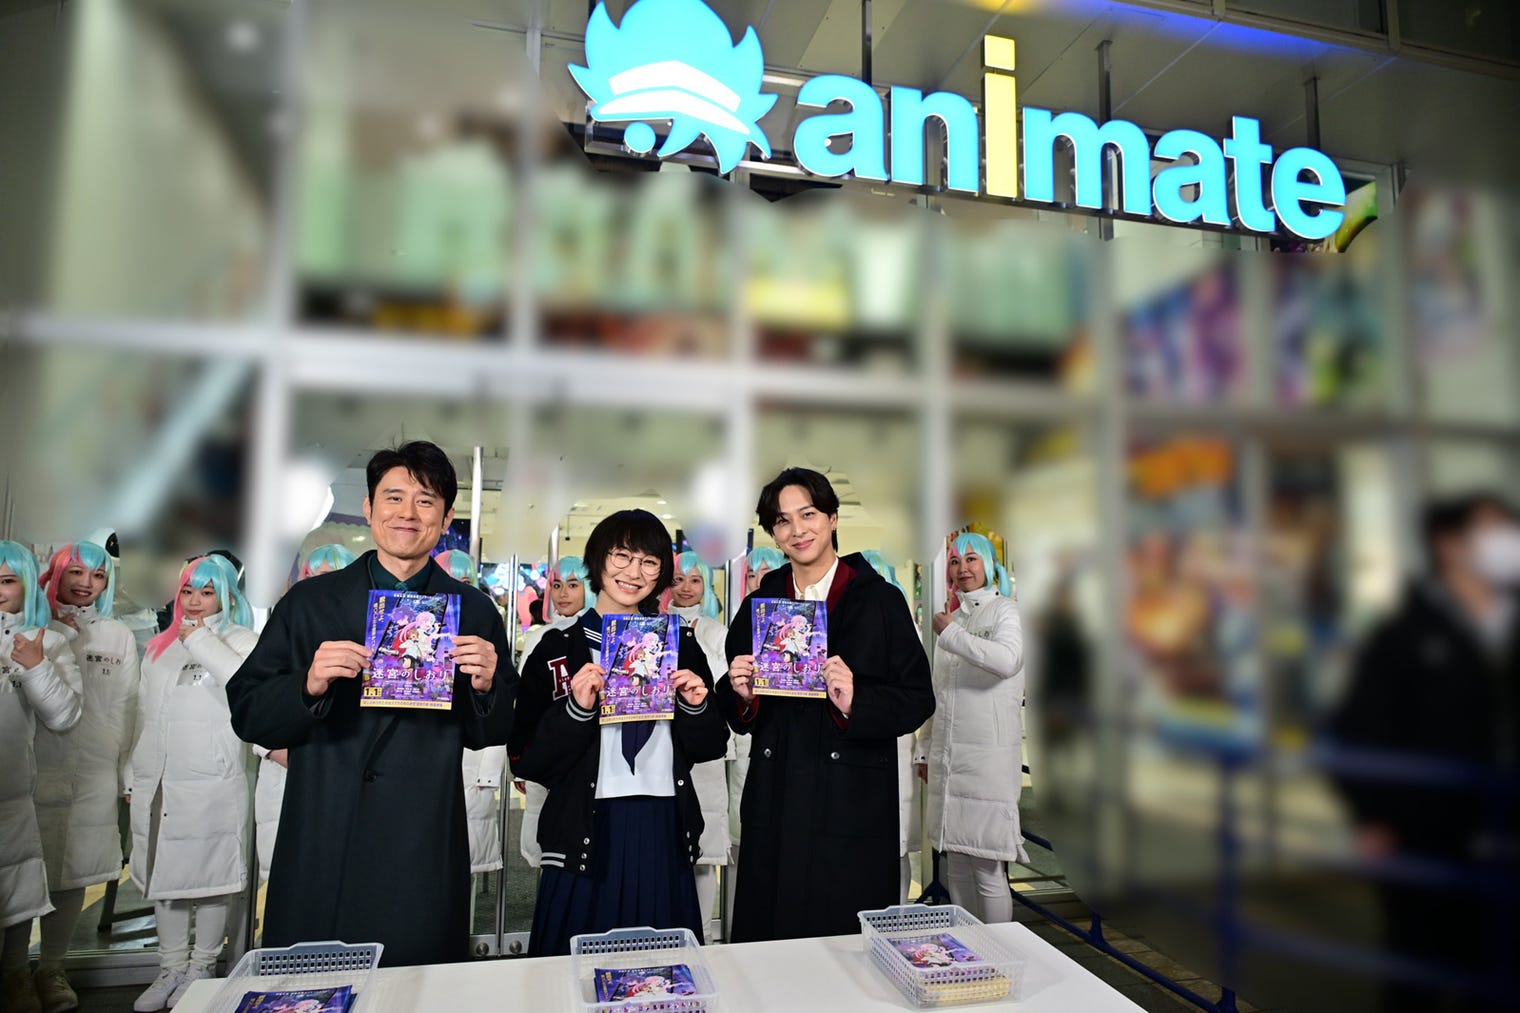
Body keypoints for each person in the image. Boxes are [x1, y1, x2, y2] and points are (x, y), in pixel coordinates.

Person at [226, 441, 517, 968]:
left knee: (416, 981)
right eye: (394, 497)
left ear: (445, 517)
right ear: (368, 506)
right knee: (314, 982)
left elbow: (496, 729)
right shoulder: (310, 603)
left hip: (423, 833)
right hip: (325, 823)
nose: (408, 513)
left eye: (425, 501)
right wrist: (308, 685)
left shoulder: (473, 610)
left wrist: (486, 685)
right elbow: (247, 710)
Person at [715, 468, 934, 941]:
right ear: (773, 533)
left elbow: (918, 697)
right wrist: (742, 697)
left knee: (844, 940)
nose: (797, 530)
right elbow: (729, 701)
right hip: (776, 796)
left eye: (808, 514)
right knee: (770, 938)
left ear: (833, 518)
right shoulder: (761, 604)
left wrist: (858, 701)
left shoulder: (879, 601)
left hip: (851, 799)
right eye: (783, 520)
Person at [1330, 493, 1520, 1012]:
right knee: (1419, 976)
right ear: (1448, 545)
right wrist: (1372, 816)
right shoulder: (1404, 636)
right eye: (1494, 530)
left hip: (1510, 841)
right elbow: (1358, 730)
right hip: (1429, 842)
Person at [509, 510, 728, 956]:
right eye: (622, 556)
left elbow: (710, 745)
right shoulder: (556, 648)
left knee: (663, 969)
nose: (634, 572)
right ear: (598, 560)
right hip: (584, 830)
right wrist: (577, 710)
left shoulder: (681, 643)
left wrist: (695, 704)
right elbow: (527, 757)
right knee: (569, 968)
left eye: (649, 562)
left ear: (661, 573)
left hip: (663, 822)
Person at [129, 554, 259, 1011]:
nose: (196, 601)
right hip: (161, 779)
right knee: (164, 878)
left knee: (210, 878)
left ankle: (202, 966)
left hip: (213, 781)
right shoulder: (159, 648)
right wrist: (133, 772)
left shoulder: (242, 640)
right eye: (188, 591)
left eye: (208, 592)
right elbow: (143, 713)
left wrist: (201, 639)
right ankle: (170, 967)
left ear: (227, 596)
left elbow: (241, 683)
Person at [27, 542, 139, 1013]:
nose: (85, 583)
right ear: (55, 572)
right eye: (75, 571)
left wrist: (127, 774)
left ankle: (52, 968)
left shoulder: (116, 635)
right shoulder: (30, 627)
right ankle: (12, 972)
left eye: (97, 576)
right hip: (33, 767)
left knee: (75, 873)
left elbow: (128, 708)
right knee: (22, 871)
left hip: (94, 771)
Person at [918, 533, 1026, 924]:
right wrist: (925, 749)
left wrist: (951, 635)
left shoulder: (1006, 611)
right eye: (954, 561)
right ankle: (967, 947)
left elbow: (1008, 660)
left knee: (988, 868)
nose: (962, 568)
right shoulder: (956, 618)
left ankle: (1001, 950)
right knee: (956, 865)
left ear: (989, 564)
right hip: (950, 760)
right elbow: (939, 693)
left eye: (971, 559)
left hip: (987, 762)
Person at [0, 542, 83, 1013]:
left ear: (28, 585)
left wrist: (34, 667)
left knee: (17, 891)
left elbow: (65, 716)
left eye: (7, 581)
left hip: (15, 793)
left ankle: (17, 976)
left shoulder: (47, 642)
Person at [254, 544, 358, 886]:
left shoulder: (366, 640)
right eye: (312, 576)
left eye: (331, 578)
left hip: (343, 781)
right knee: (288, 879)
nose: (319, 586)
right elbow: (253, 703)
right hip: (286, 777)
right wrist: (278, 750)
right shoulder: (285, 630)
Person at [514, 556, 594, 871]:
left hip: (583, 752)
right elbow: (524, 704)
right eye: (557, 585)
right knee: (542, 843)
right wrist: (519, 764)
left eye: (573, 585)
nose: (563, 593)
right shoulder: (538, 637)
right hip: (542, 747)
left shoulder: (597, 634)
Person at [668, 551, 731, 939]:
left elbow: (723, 691)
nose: (686, 588)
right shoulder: (654, 626)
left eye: (695, 580)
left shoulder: (719, 632)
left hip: (706, 744)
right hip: (670, 745)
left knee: (706, 849)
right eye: (678, 579)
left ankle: (704, 936)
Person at [435, 549, 508, 880]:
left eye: (464, 582)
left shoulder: (482, 623)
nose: (455, 590)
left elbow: (502, 706)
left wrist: (490, 773)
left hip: (467, 762)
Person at [861, 549, 925, 905]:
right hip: (858, 742)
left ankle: (896, 916)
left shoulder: (899, 622)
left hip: (894, 743)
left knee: (895, 840)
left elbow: (916, 694)